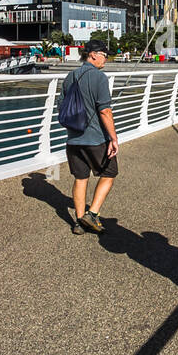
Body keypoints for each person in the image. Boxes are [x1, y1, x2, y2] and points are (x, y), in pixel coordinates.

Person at [61, 40, 120, 233]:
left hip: (73, 139)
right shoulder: (99, 77)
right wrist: (113, 138)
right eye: (104, 54)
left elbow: (61, 107)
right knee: (109, 173)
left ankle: (79, 222)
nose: (106, 59)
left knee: (80, 178)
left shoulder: (70, 76)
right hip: (95, 139)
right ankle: (92, 214)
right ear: (93, 54)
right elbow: (104, 111)